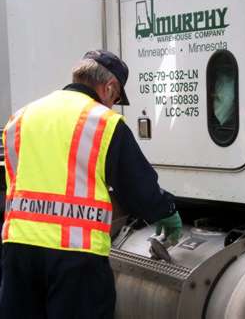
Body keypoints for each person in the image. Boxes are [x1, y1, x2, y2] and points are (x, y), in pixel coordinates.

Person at [0, 50, 182, 319]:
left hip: (18, 250)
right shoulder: (103, 122)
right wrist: (166, 212)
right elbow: (136, 185)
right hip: (75, 258)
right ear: (109, 88)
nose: (114, 104)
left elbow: (15, 180)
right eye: (117, 98)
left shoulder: (21, 117)